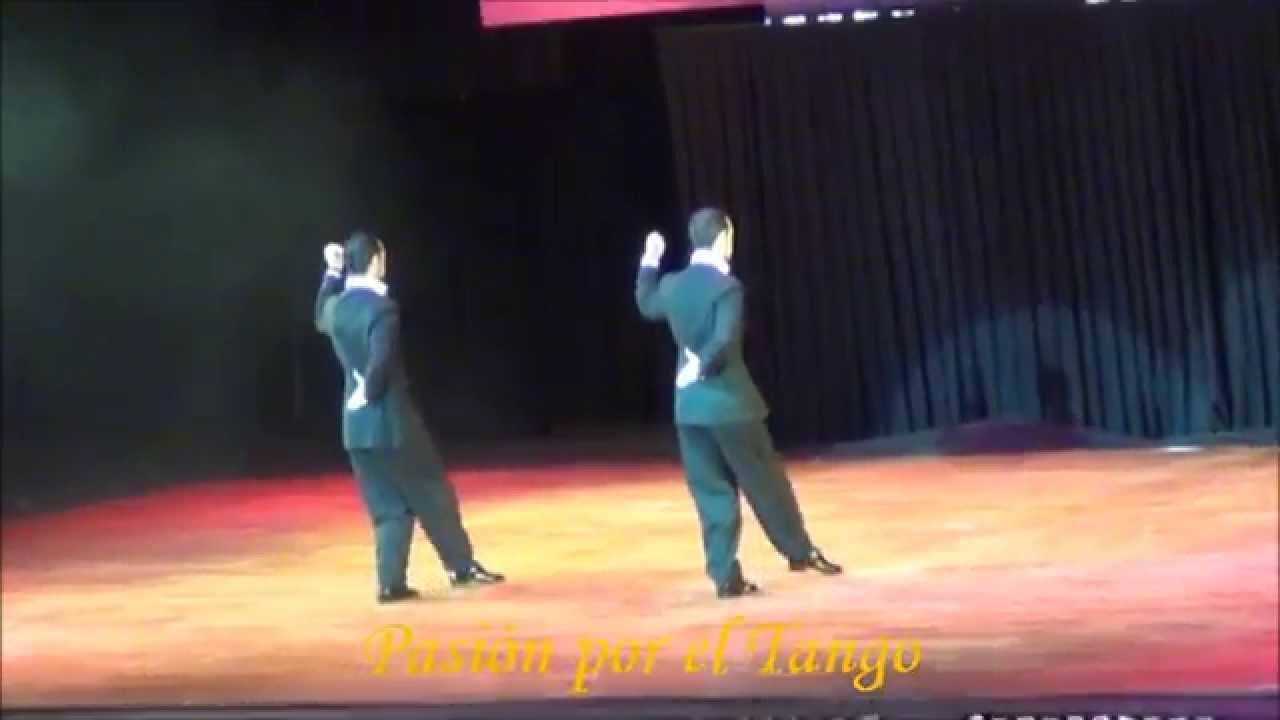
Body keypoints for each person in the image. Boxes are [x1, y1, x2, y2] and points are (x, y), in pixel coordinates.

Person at [635, 208, 841, 598]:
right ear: (723, 237)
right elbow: (724, 340)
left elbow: (646, 304)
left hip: (689, 410)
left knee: (710, 490)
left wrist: (649, 258)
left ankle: (724, 575)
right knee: (766, 483)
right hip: (730, 406)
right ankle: (799, 551)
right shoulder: (726, 287)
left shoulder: (674, 284)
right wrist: (700, 368)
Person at [315, 231, 504, 603]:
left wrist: (331, 273)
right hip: (391, 422)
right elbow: (381, 361)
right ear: (374, 261)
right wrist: (367, 394)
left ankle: (390, 583)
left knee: (388, 507)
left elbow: (320, 314)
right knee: (433, 493)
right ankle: (461, 568)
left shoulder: (336, 308)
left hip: (355, 431)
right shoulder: (380, 308)